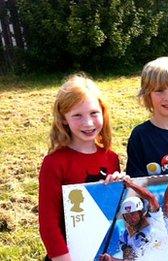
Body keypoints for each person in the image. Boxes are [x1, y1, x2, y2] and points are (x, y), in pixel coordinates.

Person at [39, 74, 125, 261]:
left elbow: (114, 212)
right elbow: (48, 224)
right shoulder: (54, 163)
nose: (88, 123)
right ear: (63, 119)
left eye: (94, 113)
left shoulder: (111, 158)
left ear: (103, 112)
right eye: (77, 115)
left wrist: (119, 187)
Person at [100, 177, 168, 260]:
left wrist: (131, 185)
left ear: (140, 212)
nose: (130, 218)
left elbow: (151, 198)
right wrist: (111, 259)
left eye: (133, 214)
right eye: (127, 216)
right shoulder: (125, 236)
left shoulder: (154, 217)